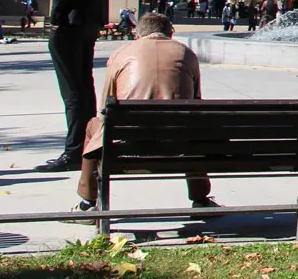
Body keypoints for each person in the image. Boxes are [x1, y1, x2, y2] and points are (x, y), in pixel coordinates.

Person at [68, 13, 219, 218]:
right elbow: (197, 100)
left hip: (128, 142)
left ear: (137, 34)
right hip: (177, 143)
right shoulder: (186, 54)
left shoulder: (120, 54)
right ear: (170, 33)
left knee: (92, 126)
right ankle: (200, 198)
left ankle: (88, 201)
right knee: (192, 128)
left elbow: (106, 106)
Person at [37, 0, 110, 174]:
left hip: (69, 21)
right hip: (90, 20)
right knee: (84, 84)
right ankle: (89, 144)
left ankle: (73, 151)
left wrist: (54, 17)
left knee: (72, 90)